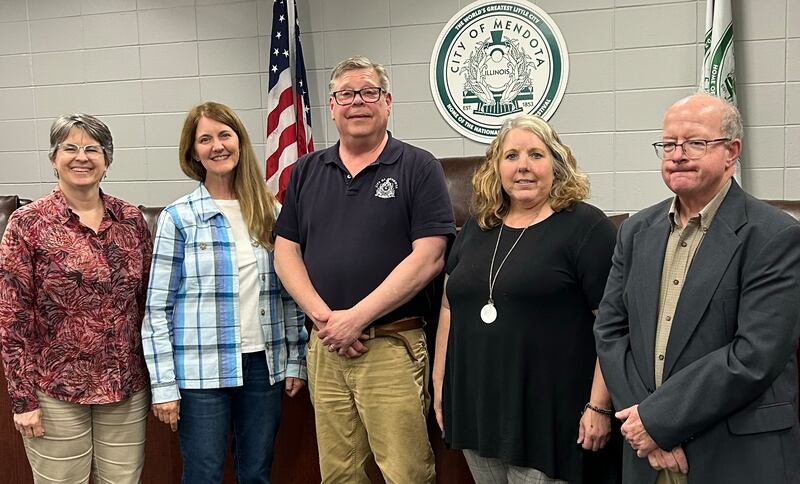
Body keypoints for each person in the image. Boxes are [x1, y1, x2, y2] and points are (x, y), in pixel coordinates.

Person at [594, 92, 800, 484]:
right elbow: (610, 331)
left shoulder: (775, 235)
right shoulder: (635, 231)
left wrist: (657, 420)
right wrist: (646, 428)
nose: (677, 154)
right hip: (646, 455)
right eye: (668, 144)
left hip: (735, 454)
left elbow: (755, 355)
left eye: (695, 143)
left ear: (731, 151)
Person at [274, 55, 455, 483]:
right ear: (332, 106)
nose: (358, 102)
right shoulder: (307, 170)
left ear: (387, 102)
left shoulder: (418, 166)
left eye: (369, 92)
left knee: (406, 472)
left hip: (390, 345)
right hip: (326, 347)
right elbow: (285, 252)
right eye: (346, 95)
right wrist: (327, 320)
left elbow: (429, 257)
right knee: (337, 473)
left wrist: (356, 318)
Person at [432, 114, 621, 484]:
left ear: (557, 163)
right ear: (496, 167)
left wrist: (600, 405)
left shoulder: (586, 227)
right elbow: (448, 306)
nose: (523, 167)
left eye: (536, 155)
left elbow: (613, 325)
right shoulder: (478, 225)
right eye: (511, 156)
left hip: (552, 419)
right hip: (478, 412)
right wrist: (441, 384)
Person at [141, 101, 307, 484]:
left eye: (224, 135)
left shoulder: (272, 212)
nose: (217, 146)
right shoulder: (178, 217)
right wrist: (163, 384)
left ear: (239, 142)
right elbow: (158, 309)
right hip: (200, 374)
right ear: (193, 152)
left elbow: (289, 293)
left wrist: (296, 358)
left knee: (257, 473)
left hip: (262, 369)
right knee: (204, 474)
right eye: (205, 139)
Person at [0, 113, 152, 483]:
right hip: (55, 390)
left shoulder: (131, 220)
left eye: (92, 149)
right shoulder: (27, 223)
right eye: (70, 148)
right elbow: (12, 316)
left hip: (124, 389)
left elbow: (148, 302)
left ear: (107, 160)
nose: (81, 157)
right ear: (54, 158)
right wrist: (23, 400)